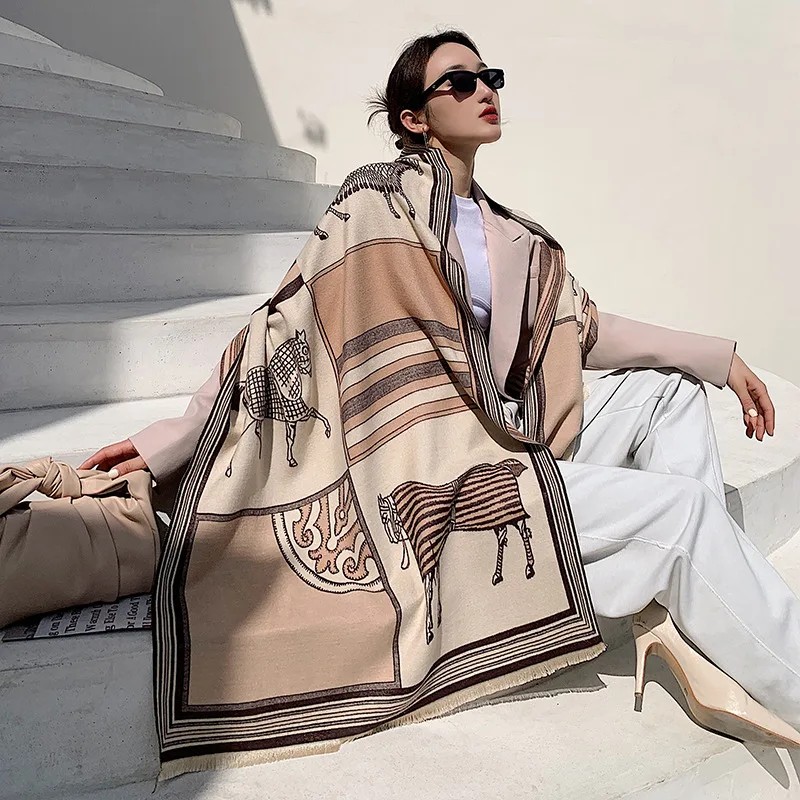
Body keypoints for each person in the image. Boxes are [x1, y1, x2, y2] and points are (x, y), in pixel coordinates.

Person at [81, 30, 800, 745]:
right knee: (679, 514)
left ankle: (689, 626)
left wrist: (719, 359)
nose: (484, 90)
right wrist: (171, 442)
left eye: (490, 77)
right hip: (438, 462)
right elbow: (282, 323)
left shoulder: (510, 234)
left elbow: (582, 326)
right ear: (414, 118)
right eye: (460, 81)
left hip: (508, 430)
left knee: (670, 392)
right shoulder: (376, 205)